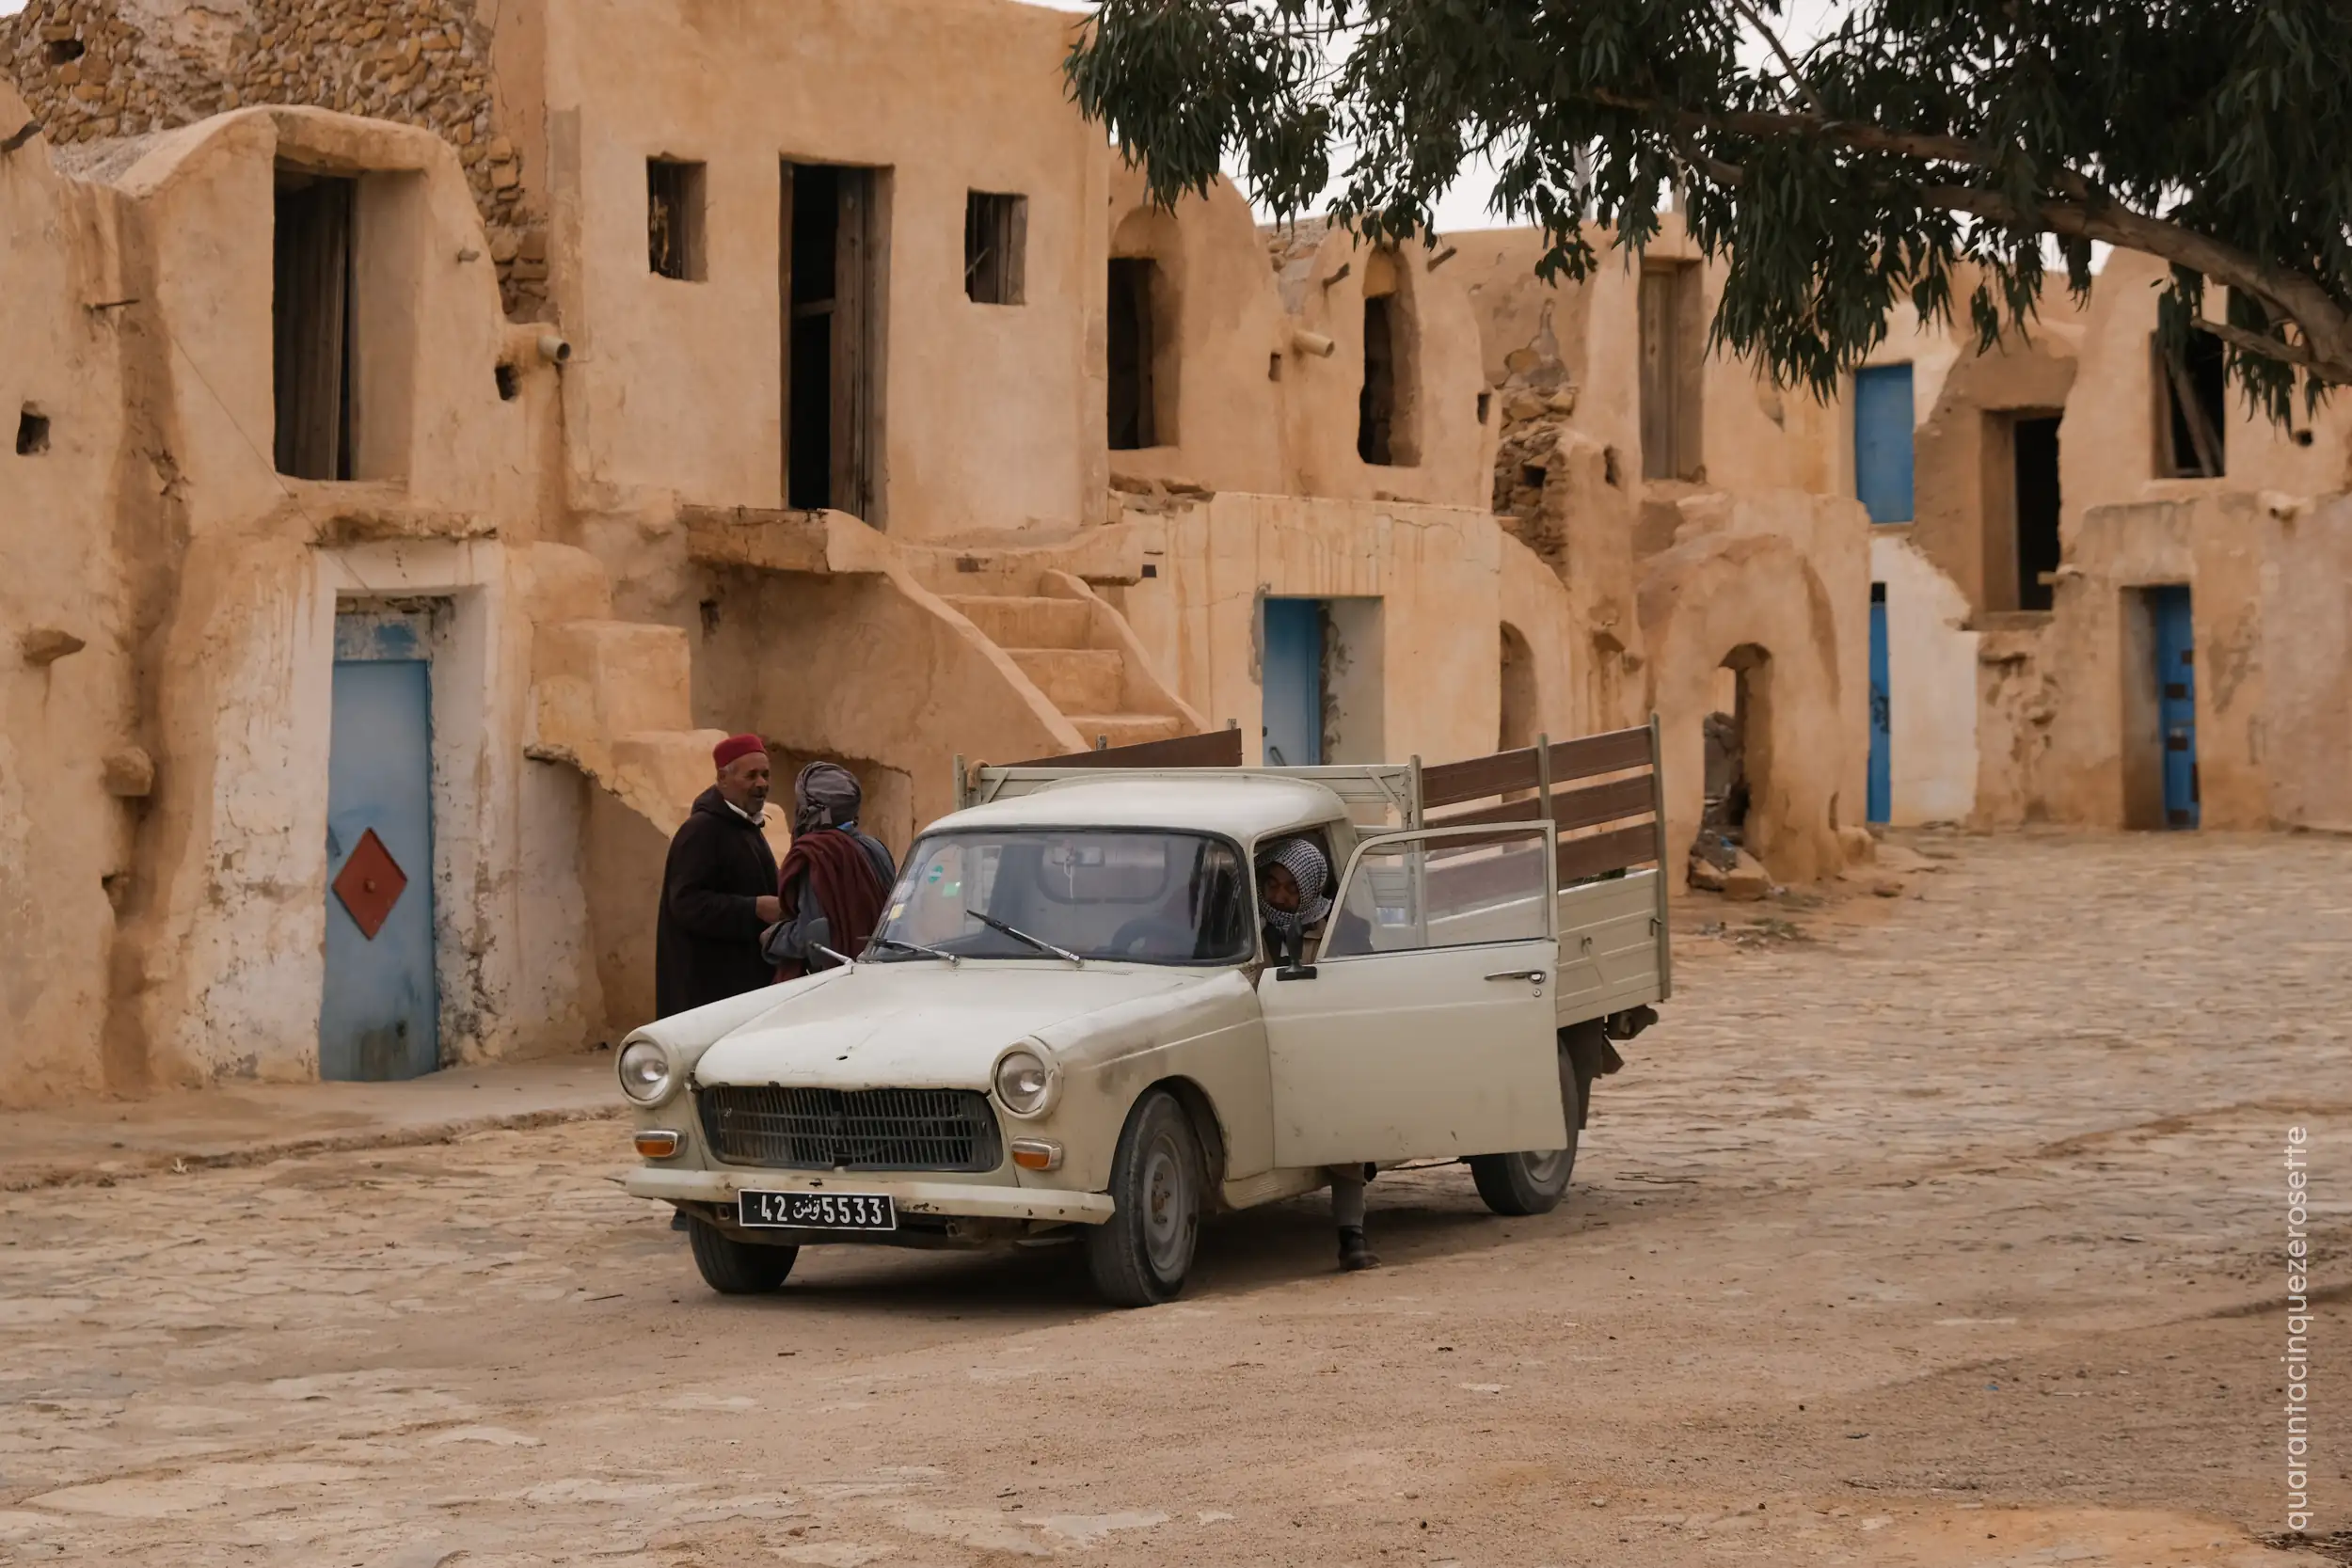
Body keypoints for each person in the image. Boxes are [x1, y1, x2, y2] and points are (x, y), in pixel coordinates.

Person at [1257, 835, 1380, 1274]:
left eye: (1291, 889)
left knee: (1342, 1131)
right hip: (1262, 1043)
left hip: (1321, 1046)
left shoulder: (1341, 930)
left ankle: (1352, 1235)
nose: (1280, 897)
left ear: (1309, 891)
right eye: (1272, 884)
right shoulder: (1247, 924)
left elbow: (1359, 990)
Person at [654, 734, 782, 1021]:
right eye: (751, 775)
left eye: (765, 774)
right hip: (709, 991)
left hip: (742, 986)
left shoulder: (747, 827)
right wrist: (755, 908)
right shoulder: (701, 831)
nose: (761, 783)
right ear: (723, 778)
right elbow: (686, 904)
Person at [767, 761, 897, 979]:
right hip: (876, 973)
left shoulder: (818, 854)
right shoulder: (876, 847)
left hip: (831, 980)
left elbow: (814, 937)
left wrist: (773, 937)